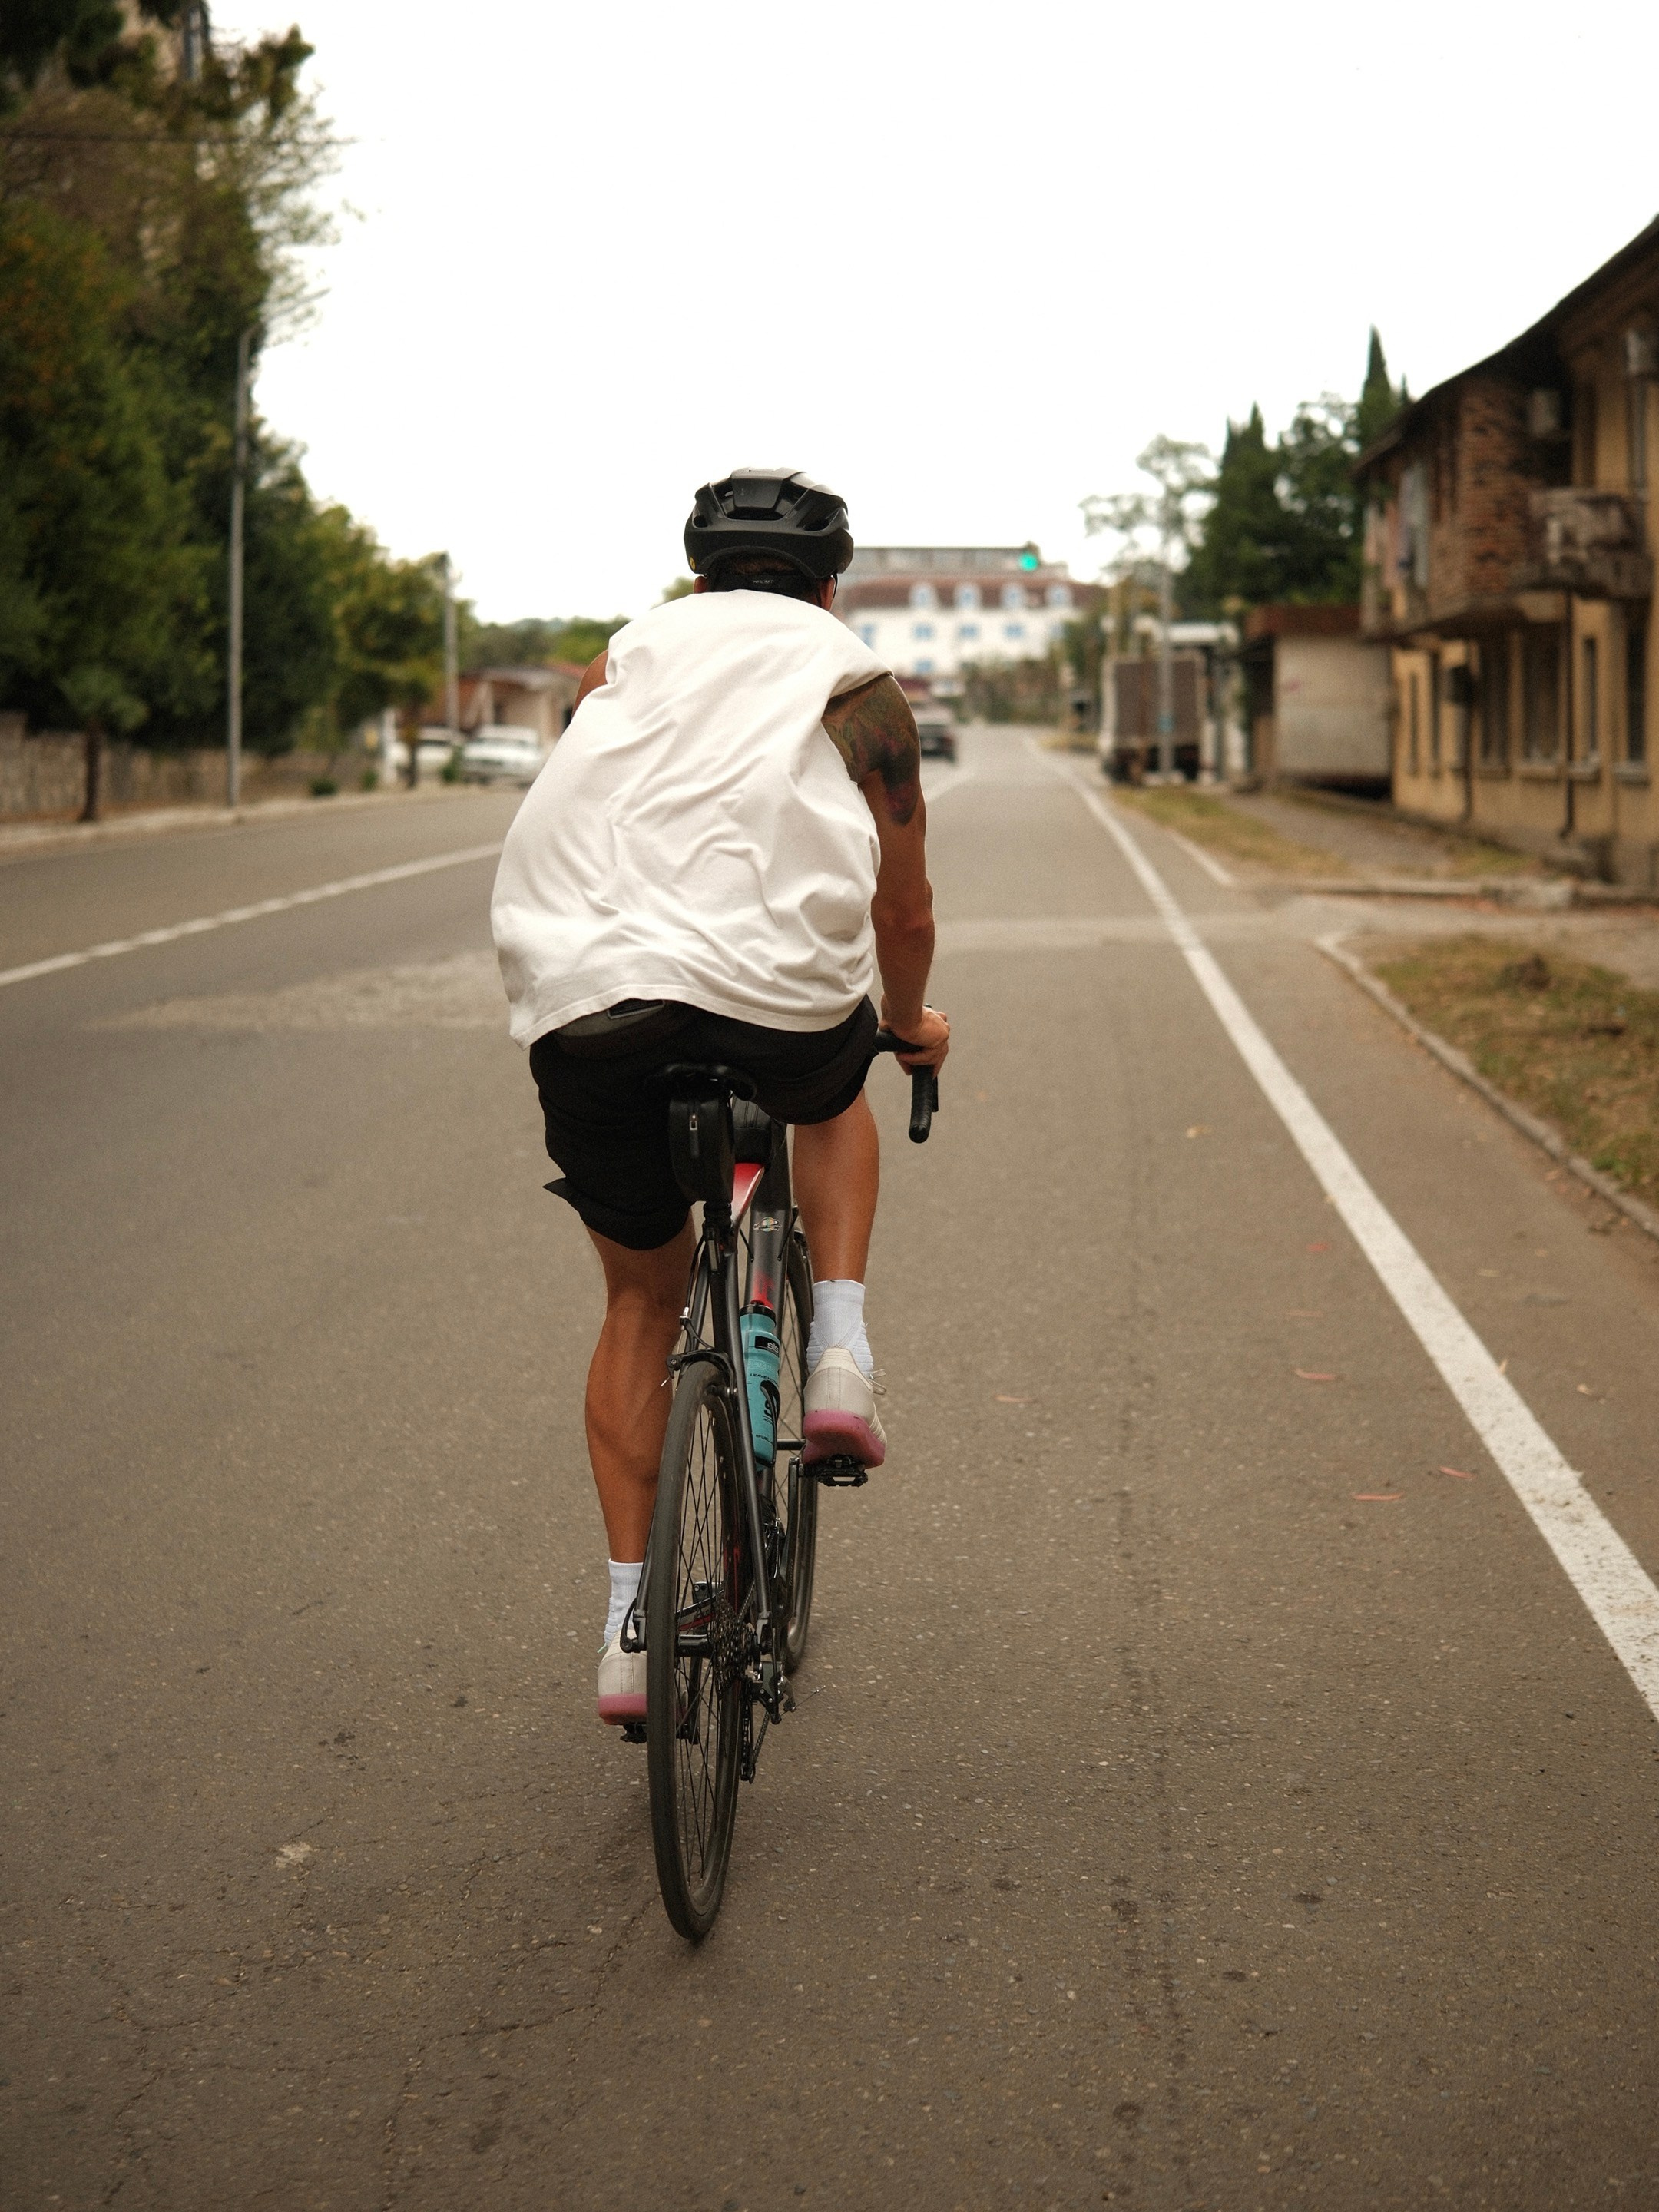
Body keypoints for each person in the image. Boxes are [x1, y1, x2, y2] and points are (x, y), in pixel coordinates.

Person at [490, 469, 950, 1725]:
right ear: (831, 587)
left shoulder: (618, 666)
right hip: (775, 998)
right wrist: (909, 1028)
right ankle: (840, 1356)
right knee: (831, 1093)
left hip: (583, 997)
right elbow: (900, 909)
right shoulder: (859, 688)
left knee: (640, 1295)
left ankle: (629, 1630)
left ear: (696, 576)